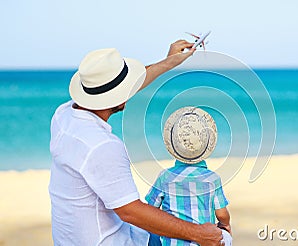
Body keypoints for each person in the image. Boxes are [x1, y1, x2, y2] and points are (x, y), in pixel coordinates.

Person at [48, 41, 224, 245]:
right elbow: (131, 212)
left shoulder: (63, 115)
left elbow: (122, 88)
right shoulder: (102, 145)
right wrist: (198, 233)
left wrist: (169, 62)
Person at [145, 107, 232, 246]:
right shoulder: (212, 179)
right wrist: (225, 225)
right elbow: (222, 214)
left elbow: (150, 209)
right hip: (204, 241)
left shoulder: (166, 177)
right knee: (226, 238)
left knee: (149, 230)